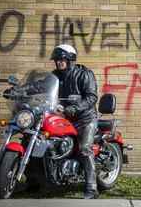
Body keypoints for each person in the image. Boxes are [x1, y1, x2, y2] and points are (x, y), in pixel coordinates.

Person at [50, 44, 99, 199]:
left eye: (62, 59)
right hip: (63, 118)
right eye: (57, 60)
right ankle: (35, 182)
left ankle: (92, 188)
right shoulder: (54, 76)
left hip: (85, 119)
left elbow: (91, 97)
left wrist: (75, 108)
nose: (59, 62)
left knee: (84, 149)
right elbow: (42, 89)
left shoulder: (84, 74)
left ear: (70, 59)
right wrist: (23, 91)